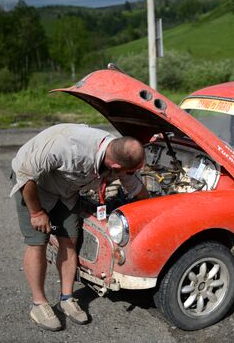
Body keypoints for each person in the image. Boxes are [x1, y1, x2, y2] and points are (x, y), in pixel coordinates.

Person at [10, 123, 149, 331]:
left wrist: (151, 211)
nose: (129, 174)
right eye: (127, 171)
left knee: (70, 239)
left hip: (67, 191)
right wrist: (37, 213)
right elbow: (25, 173)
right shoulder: (67, 147)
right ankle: (39, 304)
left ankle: (67, 298)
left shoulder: (117, 153)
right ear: (117, 166)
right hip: (35, 187)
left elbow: (135, 187)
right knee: (38, 242)